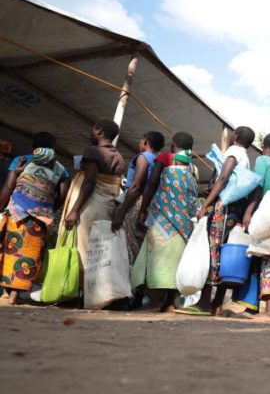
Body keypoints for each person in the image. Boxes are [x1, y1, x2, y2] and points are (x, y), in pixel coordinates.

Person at [180, 126, 255, 316]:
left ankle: (204, 303)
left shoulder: (233, 151)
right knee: (223, 252)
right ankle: (217, 303)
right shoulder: (245, 157)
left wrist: (206, 204)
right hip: (234, 208)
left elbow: (224, 177)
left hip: (223, 208)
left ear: (235, 136)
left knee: (214, 250)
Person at [131, 133, 198, 312]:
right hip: (184, 223)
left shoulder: (165, 158)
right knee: (175, 261)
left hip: (163, 219)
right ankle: (169, 303)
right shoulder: (192, 167)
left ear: (172, 145)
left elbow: (152, 183)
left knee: (158, 260)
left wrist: (143, 208)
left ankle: (155, 302)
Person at [62, 120, 127, 304]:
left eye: (93, 129)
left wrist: (74, 210)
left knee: (83, 250)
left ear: (99, 131)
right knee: (99, 253)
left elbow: (90, 182)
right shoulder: (119, 157)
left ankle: (80, 294)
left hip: (92, 205)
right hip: (108, 206)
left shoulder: (93, 152)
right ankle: (96, 295)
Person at [0, 148, 70, 304]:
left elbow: (9, 187)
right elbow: (63, 195)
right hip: (40, 219)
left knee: (11, 251)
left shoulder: (23, 162)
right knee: (31, 255)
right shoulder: (60, 170)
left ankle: (7, 292)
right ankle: (15, 296)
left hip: (17, 213)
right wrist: (47, 208)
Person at [239, 133, 270, 318]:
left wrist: (248, 212)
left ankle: (252, 305)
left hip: (261, 212)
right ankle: (260, 304)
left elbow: (257, 186)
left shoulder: (261, 160)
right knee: (265, 258)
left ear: (262, 144)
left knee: (255, 258)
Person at [112, 131, 164, 265]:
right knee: (138, 241)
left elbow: (135, 186)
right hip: (149, 204)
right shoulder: (158, 160)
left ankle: (127, 278)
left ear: (146, 141)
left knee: (126, 242)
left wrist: (121, 213)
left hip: (135, 202)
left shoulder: (143, 157)